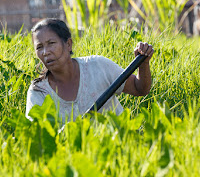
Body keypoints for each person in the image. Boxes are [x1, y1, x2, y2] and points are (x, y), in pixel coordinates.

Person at [26, 18, 154, 122]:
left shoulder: (97, 66)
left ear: (68, 44)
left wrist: (143, 63)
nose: (45, 52)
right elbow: (37, 134)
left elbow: (140, 89)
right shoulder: (39, 91)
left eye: (51, 43)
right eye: (39, 47)